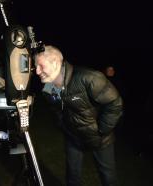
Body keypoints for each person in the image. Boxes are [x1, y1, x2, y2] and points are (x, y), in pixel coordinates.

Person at [34, 45, 123, 186]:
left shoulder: (89, 77)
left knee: (108, 177)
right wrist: (64, 126)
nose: (37, 71)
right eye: (35, 66)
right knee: (72, 176)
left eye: (40, 65)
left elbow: (114, 103)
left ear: (55, 62)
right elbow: (56, 111)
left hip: (100, 138)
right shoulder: (47, 89)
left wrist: (101, 130)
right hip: (73, 137)